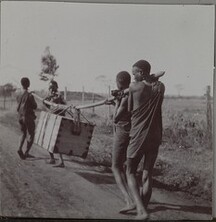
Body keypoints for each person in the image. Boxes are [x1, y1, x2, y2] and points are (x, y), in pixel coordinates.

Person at [126, 60, 165, 220]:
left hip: (138, 135)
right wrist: (150, 76)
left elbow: (128, 110)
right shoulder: (160, 87)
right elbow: (159, 75)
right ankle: (143, 208)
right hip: (155, 135)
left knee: (129, 172)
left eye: (134, 72)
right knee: (147, 174)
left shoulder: (134, 88)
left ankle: (141, 211)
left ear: (141, 72)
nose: (132, 76)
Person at [106, 71, 135, 214]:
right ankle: (135, 198)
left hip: (123, 130)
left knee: (116, 166)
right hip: (133, 130)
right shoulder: (134, 92)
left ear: (118, 82)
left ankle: (129, 201)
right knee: (128, 167)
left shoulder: (125, 96)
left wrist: (116, 102)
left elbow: (116, 118)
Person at [44, 80, 66, 168]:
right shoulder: (49, 96)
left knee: (57, 139)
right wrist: (48, 107)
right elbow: (45, 103)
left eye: (53, 87)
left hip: (59, 119)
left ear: (56, 87)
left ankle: (61, 161)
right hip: (52, 118)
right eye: (50, 88)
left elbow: (64, 104)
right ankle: (52, 158)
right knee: (48, 138)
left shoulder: (59, 95)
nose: (51, 89)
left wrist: (54, 97)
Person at [17, 77, 37, 160]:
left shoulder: (19, 94)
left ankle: (19, 149)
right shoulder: (30, 95)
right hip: (27, 117)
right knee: (31, 134)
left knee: (23, 133)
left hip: (20, 116)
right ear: (28, 84)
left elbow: (19, 105)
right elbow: (35, 106)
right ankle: (26, 153)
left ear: (22, 84)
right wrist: (31, 96)